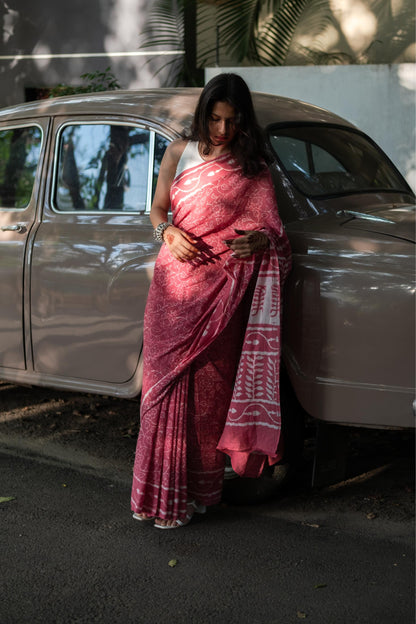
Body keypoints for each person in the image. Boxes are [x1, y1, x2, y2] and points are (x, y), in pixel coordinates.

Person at [131, 73, 292, 529]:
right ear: (203, 113)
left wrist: (258, 242)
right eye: (215, 118)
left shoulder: (252, 169)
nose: (222, 130)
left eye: (232, 120)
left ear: (243, 121)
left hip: (222, 295)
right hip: (172, 287)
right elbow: (158, 208)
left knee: (207, 398)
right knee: (159, 391)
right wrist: (169, 232)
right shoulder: (178, 152)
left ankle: (196, 495)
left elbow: (273, 230)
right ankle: (155, 496)